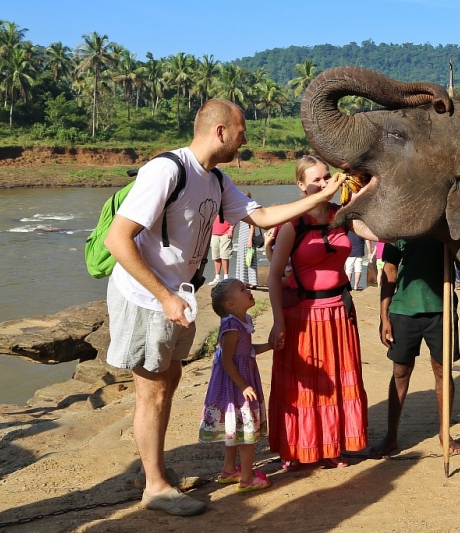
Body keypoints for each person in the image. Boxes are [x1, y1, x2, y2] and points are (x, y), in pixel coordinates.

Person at [104, 99, 345, 516]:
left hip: (174, 297)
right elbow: (117, 239)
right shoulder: (167, 171)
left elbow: (265, 216)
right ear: (220, 131)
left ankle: (154, 473)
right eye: (242, 131)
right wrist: (165, 297)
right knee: (153, 390)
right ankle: (156, 487)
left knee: (169, 380)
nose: (245, 139)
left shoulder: (215, 181)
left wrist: (323, 195)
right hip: (145, 297)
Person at [267, 155, 370, 470]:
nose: (325, 184)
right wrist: (277, 322)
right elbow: (273, 276)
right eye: (316, 180)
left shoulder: (344, 216)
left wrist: (370, 188)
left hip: (338, 313)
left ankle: (333, 447)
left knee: (337, 384)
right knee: (303, 386)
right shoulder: (292, 225)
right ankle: (297, 449)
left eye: (328, 177)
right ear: (301, 185)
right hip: (302, 316)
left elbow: (381, 236)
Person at [370, 235, 460, 457]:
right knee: (400, 372)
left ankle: (444, 432)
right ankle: (391, 436)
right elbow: (390, 271)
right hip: (403, 311)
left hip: (441, 310)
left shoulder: (446, 226)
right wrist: (384, 316)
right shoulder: (399, 228)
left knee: (443, 371)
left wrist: (453, 244)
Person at [198, 279, 271, 492]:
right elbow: (228, 360)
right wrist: (244, 386)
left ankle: (229, 470)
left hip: (239, 380)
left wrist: (269, 346)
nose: (248, 290)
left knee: (235, 429)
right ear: (231, 304)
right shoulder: (231, 326)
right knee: (247, 432)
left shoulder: (242, 321)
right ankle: (247, 478)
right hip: (235, 385)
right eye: (242, 289)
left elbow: (246, 351)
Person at [236, 190, 258, 289]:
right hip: (242, 236)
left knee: (249, 258)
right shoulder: (242, 208)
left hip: (248, 236)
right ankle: (243, 280)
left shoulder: (250, 208)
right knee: (242, 257)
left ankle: (252, 282)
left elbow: (253, 225)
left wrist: (250, 239)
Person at [208, 214, 234, 286]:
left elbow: (235, 217)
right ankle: (217, 277)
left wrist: (231, 229)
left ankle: (226, 278)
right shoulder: (214, 206)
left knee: (225, 256)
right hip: (214, 233)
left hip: (226, 233)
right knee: (216, 256)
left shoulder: (227, 206)